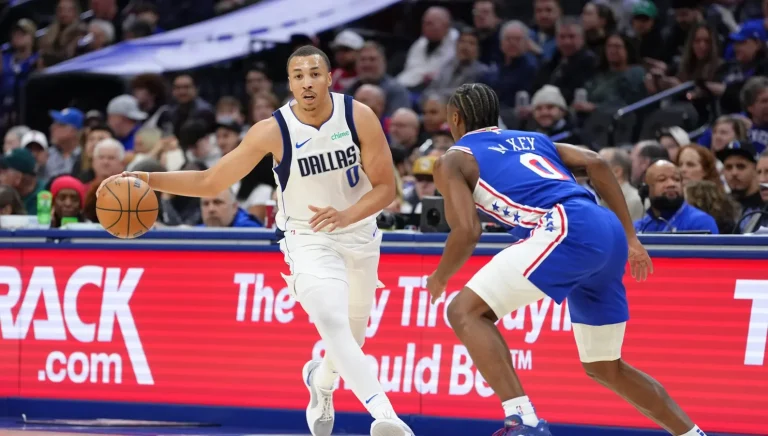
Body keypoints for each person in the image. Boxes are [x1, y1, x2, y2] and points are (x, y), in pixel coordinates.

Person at [98, 46, 412, 436]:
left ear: (329, 78)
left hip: (360, 233)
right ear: (290, 83)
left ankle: (321, 382)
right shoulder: (272, 130)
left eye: (315, 74)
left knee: (352, 337)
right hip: (307, 237)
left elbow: (385, 188)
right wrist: (146, 179)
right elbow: (211, 181)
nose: (307, 82)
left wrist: (347, 215)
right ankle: (386, 416)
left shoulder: (357, 116)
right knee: (331, 320)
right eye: (298, 76)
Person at [425, 83, 707, 436]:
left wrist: (440, 276)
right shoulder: (533, 139)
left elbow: (467, 231)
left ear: (455, 118)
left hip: (565, 227)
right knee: (605, 366)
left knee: (463, 311)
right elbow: (596, 162)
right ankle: (693, 434)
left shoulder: (453, 158)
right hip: (606, 230)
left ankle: (522, 419)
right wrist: (631, 237)